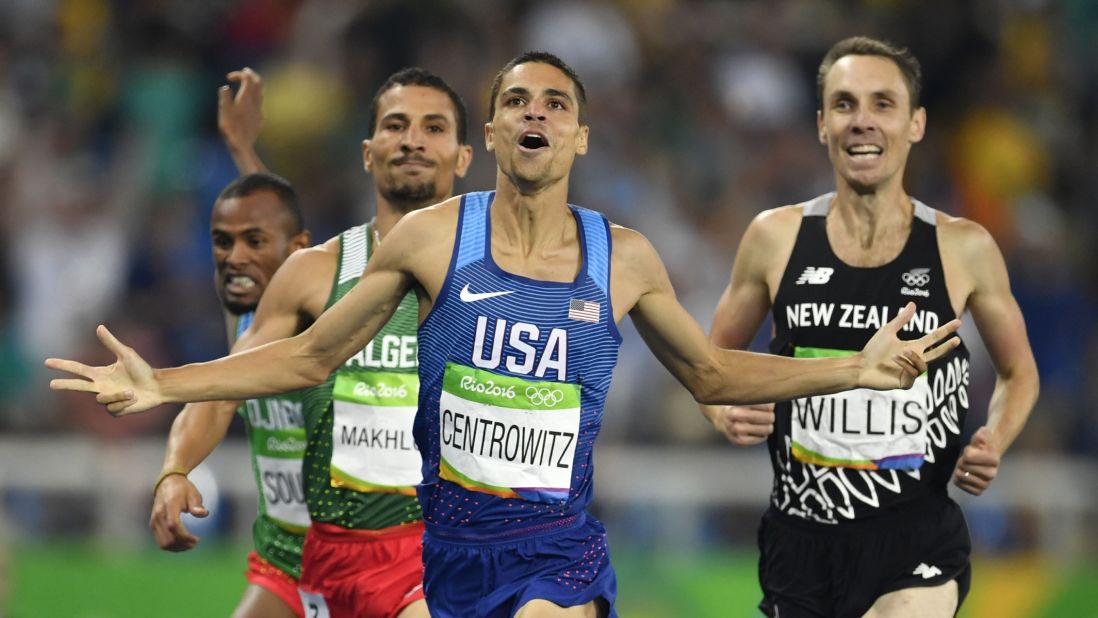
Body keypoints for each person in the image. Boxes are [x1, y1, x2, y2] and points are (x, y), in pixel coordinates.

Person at [48, 51, 961, 618]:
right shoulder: (435, 240)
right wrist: (165, 384)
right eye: (519, 102)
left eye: (556, 104)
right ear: (490, 135)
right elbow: (312, 352)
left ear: (582, 138)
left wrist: (855, 367)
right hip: (442, 556)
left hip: (555, 552)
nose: (536, 114)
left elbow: (715, 374)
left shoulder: (625, 257)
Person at [702, 36, 1039, 618]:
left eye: (883, 104)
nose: (863, 121)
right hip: (801, 541)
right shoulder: (775, 238)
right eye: (844, 104)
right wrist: (721, 410)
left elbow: (1019, 371)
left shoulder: (963, 247)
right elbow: (711, 363)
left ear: (916, 124)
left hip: (917, 539)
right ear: (821, 125)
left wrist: (995, 438)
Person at [151, 66, 473, 618]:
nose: (413, 139)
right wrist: (175, 469)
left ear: (465, 156)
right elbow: (226, 385)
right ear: (367, 152)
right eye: (396, 125)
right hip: (309, 557)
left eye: (433, 127)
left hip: (427, 557)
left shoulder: (497, 283)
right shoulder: (314, 273)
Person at [147, 73, 312, 618]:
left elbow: (288, 245)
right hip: (286, 562)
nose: (234, 257)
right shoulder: (244, 315)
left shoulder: (331, 315)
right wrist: (175, 472)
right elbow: (214, 401)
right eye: (221, 243)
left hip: (367, 556)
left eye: (252, 244)